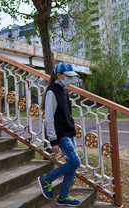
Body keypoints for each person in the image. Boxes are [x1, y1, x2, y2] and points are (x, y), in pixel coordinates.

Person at [38, 62, 81, 206]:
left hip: (69, 132)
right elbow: (49, 118)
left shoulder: (63, 89)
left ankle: (63, 196)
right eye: (68, 76)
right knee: (75, 162)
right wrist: (53, 140)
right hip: (60, 134)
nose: (70, 79)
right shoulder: (52, 91)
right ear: (59, 75)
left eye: (71, 76)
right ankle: (46, 179)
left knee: (72, 163)